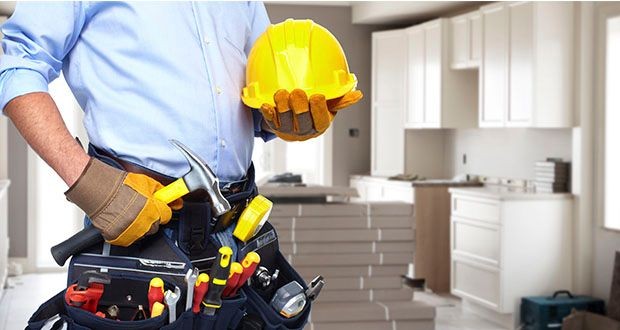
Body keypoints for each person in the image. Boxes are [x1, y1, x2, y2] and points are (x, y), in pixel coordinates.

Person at [0, 2, 362, 248]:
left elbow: (257, 94)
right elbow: (16, 66)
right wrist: (88, 183)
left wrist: (286, 119)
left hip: (236, 225)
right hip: (140, 219)